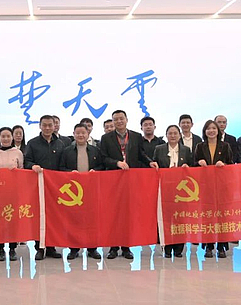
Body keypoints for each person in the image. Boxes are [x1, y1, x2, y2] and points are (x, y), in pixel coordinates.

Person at [99, 110, 153, 260]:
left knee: (128, 214)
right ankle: (113, 247)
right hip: (114, 181)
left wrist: (150, 162)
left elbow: (141, 154)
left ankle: (126, 247)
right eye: (115, 119)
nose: (119, 121)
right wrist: (116, 163)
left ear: (127, 119)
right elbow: (103, 158)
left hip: (130, 180)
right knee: (114, 214)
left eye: (121, 118)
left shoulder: (136, 136)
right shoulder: (106, 138)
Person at [24, 114, 69, 260]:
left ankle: (51, 247)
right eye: (45, 125)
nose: (48, 128)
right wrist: (33, 166)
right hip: (37, 185)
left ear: (54, 126)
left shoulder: (61, 144)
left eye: (50, 125)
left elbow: (63, 165)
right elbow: (26, 161)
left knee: (54, 216)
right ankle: (39, 247)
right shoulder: (32, 143)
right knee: (39, 216)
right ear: (40, 126)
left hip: (55, 187)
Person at [59, 123, 104, 260]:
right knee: (74, 219)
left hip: (91, 190)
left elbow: (102, 166)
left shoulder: (95, 150)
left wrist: (95, 171)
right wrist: (70, 172)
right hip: (74, 191)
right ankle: (73, 248)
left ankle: (92, 248)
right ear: (73, 134)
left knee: (92, 219)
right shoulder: (67, 151)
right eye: (77, 133)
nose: (80, 135)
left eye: (83, 133)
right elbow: (61, 168)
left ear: (88, 134)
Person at [149, 125, 193, 258]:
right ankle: (167, 247)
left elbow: (192, 166)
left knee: (181, 217)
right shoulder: (159, 149)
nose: (173, 136)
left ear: (179, 135)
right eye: (170, 133)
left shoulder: (186, 150)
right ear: (166, 135)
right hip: (165, 188)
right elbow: (154, 165)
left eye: (175, 133)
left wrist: (187, 167)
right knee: (166, 218)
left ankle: (179, 248)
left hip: (182, 190)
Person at [194, 120, 234, 258]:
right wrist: (198, 162)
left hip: (221, 186)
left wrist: (224, 164)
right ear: (205, 131)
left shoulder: (225, 146)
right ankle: (208, 246)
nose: (211, 131)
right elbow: (194, 163)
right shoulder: (200, 146)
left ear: (218, 131)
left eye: (214, 128)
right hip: (205, 187)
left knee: (222, 216)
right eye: (208, 129)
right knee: (208, 216)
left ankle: (222, 246)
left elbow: (231, 164)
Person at [0, 127, 24, 262]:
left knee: (13, 221)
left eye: (8, 136)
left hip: (13, 192)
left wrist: (17, 172)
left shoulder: (18, 152)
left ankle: (13, 249)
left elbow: (23, 171)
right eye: (3, 136)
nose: (6, 139)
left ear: (12, 137)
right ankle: (0, 249)